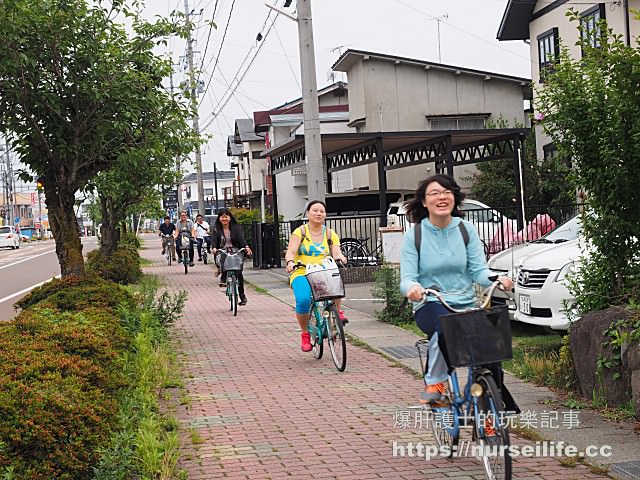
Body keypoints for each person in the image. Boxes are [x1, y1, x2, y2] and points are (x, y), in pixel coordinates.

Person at [399, 174, 514, 405]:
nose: (441, 197)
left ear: (455, 197)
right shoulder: (415, 235)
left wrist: (496, 279)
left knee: (490, 351)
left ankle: (492, 411)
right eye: (434, 193)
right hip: (430, 303)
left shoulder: (466, 230)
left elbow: (479, 271)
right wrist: (413, 288)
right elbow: (407, 278)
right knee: (444, 325)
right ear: (424, 201)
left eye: (447, 192)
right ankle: (436, 381)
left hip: (467, 303)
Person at [284, 200, 348, 352]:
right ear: (308, 213)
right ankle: (305, 334)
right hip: (302, 271)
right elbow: (291, 252)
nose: (319, 213)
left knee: (335, 281)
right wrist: (290, 262)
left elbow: (336, 251)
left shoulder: (329, 233)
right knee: (303, 300)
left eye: (322, 211)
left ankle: (336, 314)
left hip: (323, 270)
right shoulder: (300, 232)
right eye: (315, 210)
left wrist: (341, 257)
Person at [211, 208, 252, 305]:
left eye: (226, 217)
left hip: (235, 250)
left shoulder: (236, 227)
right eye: (222, 217)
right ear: (219, 218)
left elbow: (241, 239)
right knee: (223, 261)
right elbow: (214, 240)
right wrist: (213, 248)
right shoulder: (216, 229)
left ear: (230, 218)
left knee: (238, 273)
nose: (224, 219)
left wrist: (246, 247)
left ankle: (242, 295)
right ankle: (223, 275)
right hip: (223, 250)